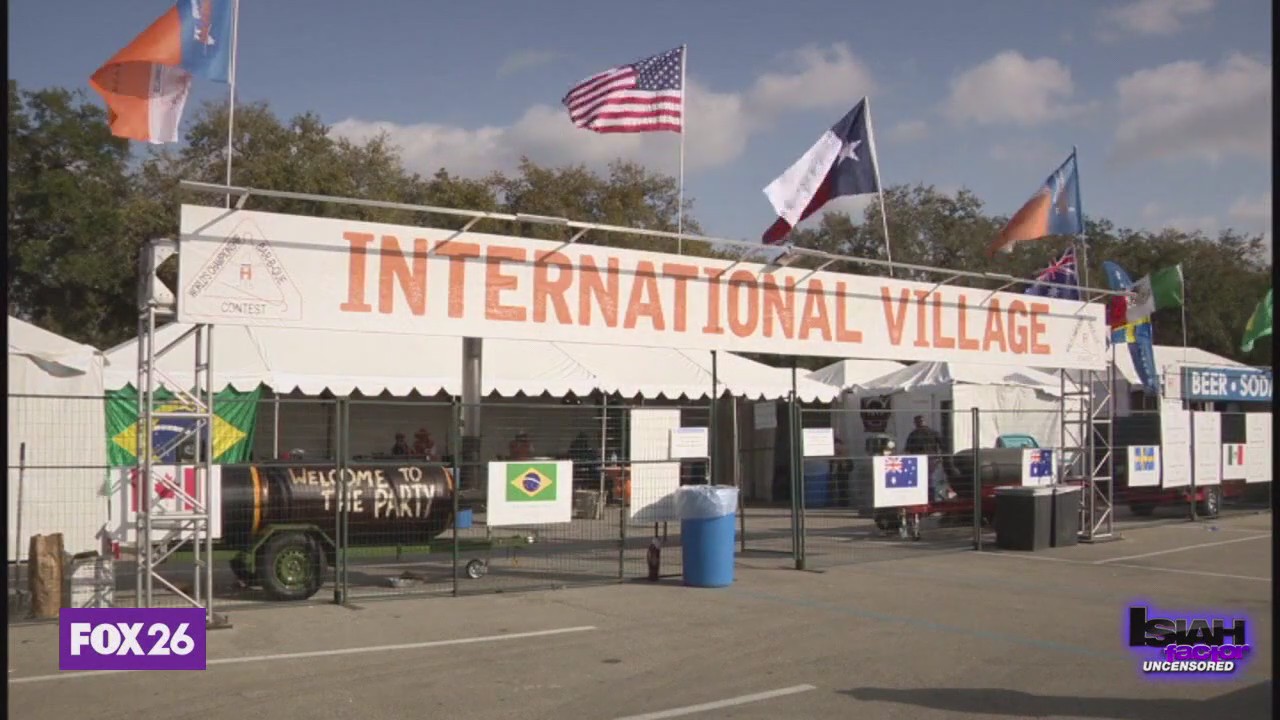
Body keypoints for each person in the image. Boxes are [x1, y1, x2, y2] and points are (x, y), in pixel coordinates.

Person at [903, 416, 953, 501]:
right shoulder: (933, 432)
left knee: (921, 480)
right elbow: (943, 445)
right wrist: (940, 457)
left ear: (915, 423)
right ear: (924, 422)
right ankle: (933, 498)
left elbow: (907, 450)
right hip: (932, 459)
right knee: (933, 479)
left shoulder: (913, 434)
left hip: (918, 460)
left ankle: (923, 497)